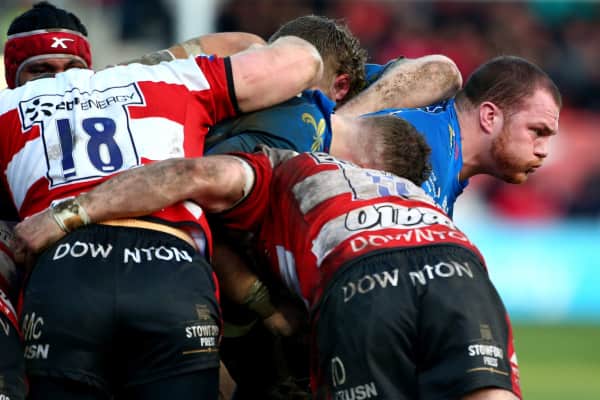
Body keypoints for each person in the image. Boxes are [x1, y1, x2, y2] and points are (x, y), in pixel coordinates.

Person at [14, 134, 521, 400]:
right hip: (460, 266)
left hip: (360, 271)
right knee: (487, 391)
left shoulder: (279, 168)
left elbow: (189, 173)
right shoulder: (405, 189)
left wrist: (66, 215)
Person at [0, 16, 323, 396]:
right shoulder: (166, 77)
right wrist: (164, 58)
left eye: (69, 67)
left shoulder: (7, 105)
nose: (60, 78)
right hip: (170, 267)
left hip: (66, 270)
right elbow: (304, 57)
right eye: (41, 71)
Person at [363, 55, 562, 217]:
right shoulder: (420, 144)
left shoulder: (445, 154)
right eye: (537, 131)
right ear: (489, 117)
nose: (543, 151)